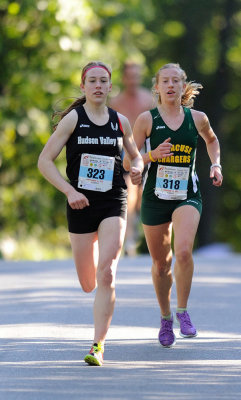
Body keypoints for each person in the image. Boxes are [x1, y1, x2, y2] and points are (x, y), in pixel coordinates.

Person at [38, 61, 143, 366]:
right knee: (89, 283)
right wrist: (70, 192)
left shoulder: (120, 121)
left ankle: (98, 344)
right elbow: (44, 161)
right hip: (80, 204)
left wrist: (136, 170)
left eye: (103, 81)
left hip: (113, 201)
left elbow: (135, 157)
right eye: (92, 81)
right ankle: (96, 282)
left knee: (107, 272)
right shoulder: (73, 119)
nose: (98, 86)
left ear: (111, 87)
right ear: (83, 87)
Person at [123, 63, 223, 347]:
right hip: (155, 197)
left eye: (175, 81)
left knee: (183, 253)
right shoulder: (146, 120)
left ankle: (183, 311)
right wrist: (152, 154)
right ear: (156, 87)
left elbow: (212, 141)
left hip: (187, 195)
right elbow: (128, 160)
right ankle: (165, 318)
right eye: (164, 81)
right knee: (160, 264)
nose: (170, 86)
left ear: (182, 86)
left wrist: (215, 164)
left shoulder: (197, 118)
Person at [109, 62, 154, 256]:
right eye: (130, 76)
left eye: (137, 75)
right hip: (124, 151)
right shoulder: (116, 102)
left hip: (147, 150)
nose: (133, 79)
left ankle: (134, 229)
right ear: (124, 78)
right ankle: (128, 240)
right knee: (129, 192)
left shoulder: (149, 100)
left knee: (143, 197)